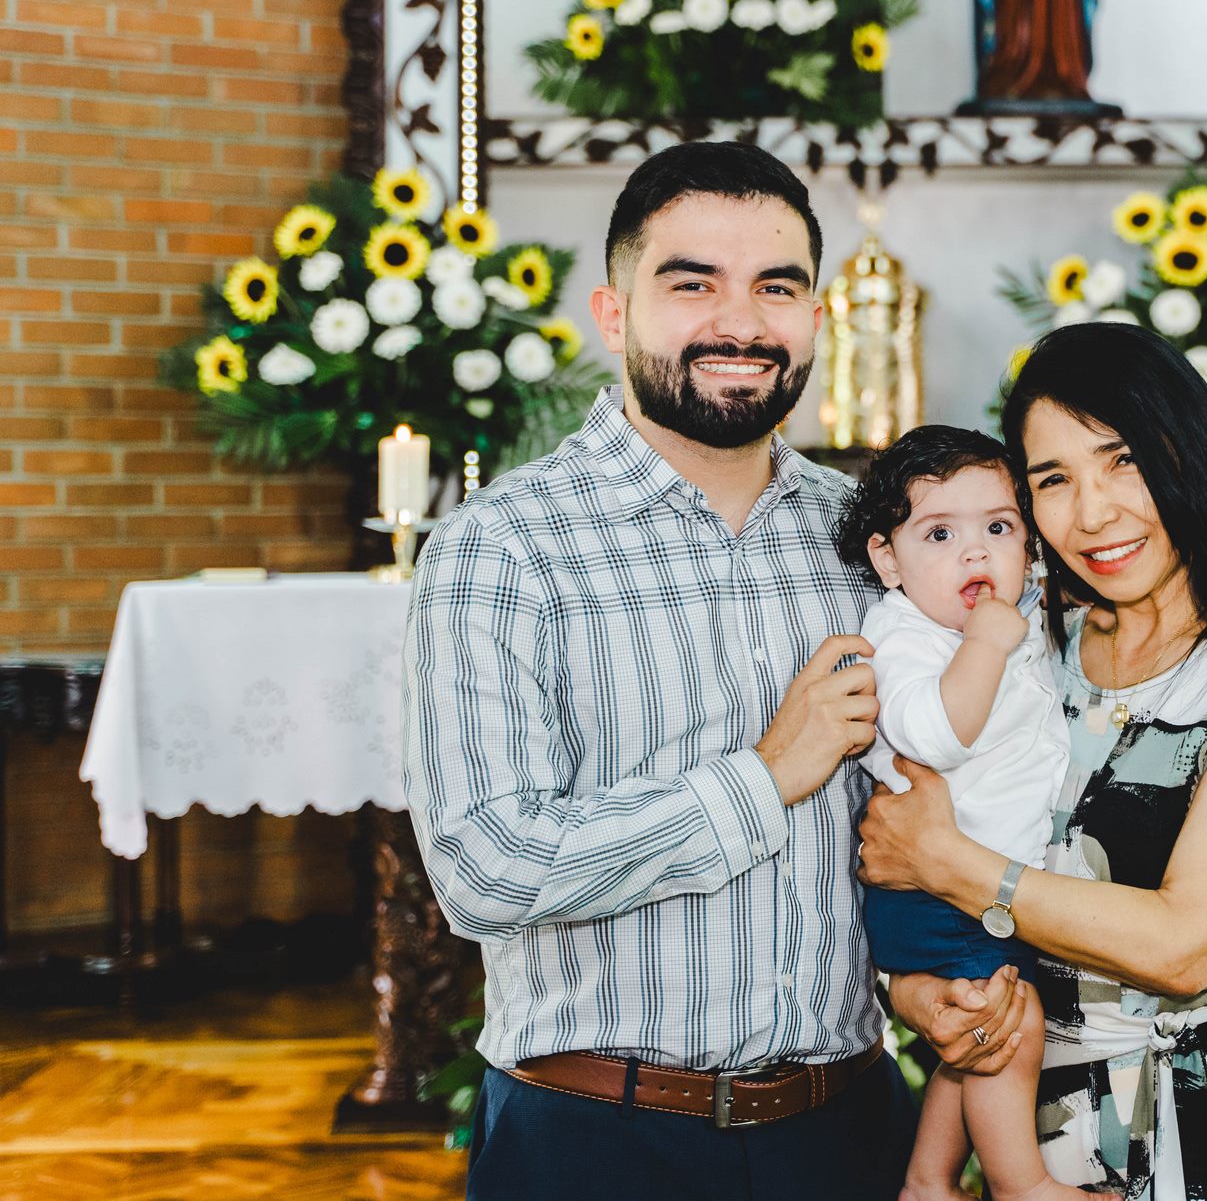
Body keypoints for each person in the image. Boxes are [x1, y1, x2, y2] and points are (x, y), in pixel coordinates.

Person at [401, 142, 1020, 1201]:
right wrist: (763, 778)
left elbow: (913, 805)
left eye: (775, 287)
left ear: (815, 318)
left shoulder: (870, 539)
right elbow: (485, 868)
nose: (740, 322)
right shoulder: (504, 546)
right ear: (613, 314)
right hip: (597, 1137)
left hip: (847, 1128)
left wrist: (920, 979)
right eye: (692, 284)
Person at [861, 322, 1207, 1200]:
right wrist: (917, 996)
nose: (1092, 514)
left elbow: (1184, 946)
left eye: (1122, 459)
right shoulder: (1020, 645)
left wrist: (950, 863)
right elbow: (895, 841)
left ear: (1189, 453)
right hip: (1029, 1122)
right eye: (1053, 479)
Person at [834, 425, 1085, 1201]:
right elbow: (938, 736)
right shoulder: (905, 635)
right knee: (1013, 1024)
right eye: (940, 534)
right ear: (889, 560)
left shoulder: (1001, 612)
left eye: (999, 528)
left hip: (979, 882)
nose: (975, 551)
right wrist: (985, 644)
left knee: (977, 1032)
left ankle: (928, 1179)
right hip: (937, 891)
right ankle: (1020, 1182)